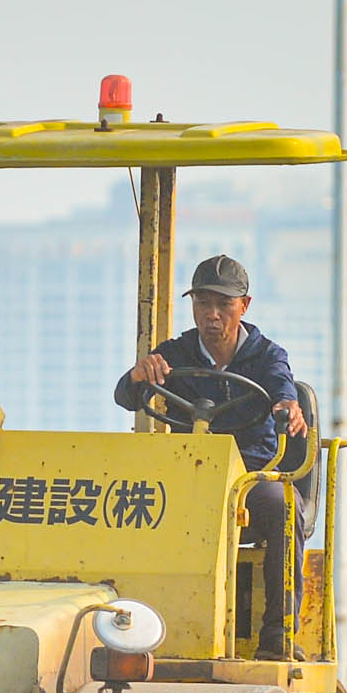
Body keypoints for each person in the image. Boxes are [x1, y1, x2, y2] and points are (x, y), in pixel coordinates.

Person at [115, 254, 309, 658]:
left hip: (247, 480)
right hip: (190, 478)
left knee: (282, 508)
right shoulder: (177, 353)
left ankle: (277, 636)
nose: (213, 315)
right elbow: (126, 395)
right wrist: (138, 375)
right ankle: (132, 627)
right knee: (130, 502)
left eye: (223, 304)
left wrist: (286, 406)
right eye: (204, 304)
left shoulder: (266, 355)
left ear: (245, 306)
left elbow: (281, 387)